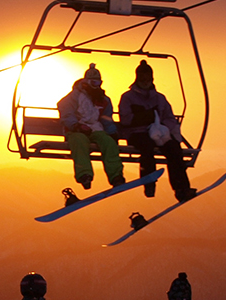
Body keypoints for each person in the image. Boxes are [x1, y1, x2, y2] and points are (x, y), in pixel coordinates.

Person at [119, 60, 196, 201]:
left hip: (159, 134)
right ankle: (149, 183)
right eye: (142, 78)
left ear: (152, 78)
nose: (145, 81)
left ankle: (182, 188)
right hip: (137, 132)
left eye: (147, 78)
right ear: (137, 78)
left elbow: (170, 117)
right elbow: (125, 119)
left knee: (174, 148)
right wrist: (142, 118)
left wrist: (163, 126)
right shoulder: (128, 97)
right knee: (147, 147)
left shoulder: (160, 98)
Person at [56, 64, 125, 191]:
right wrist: (76, 125)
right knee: (79, 142)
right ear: (87, 81)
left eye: (99, 82)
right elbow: (66, 111)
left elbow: (106, 119)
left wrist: (112, 133)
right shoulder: (74, 97)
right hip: (76, 130)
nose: (96, 85)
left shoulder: (103, 100)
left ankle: (116, 176)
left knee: (108, 143)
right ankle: (84, 175)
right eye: (93, 82)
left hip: (96, 129)